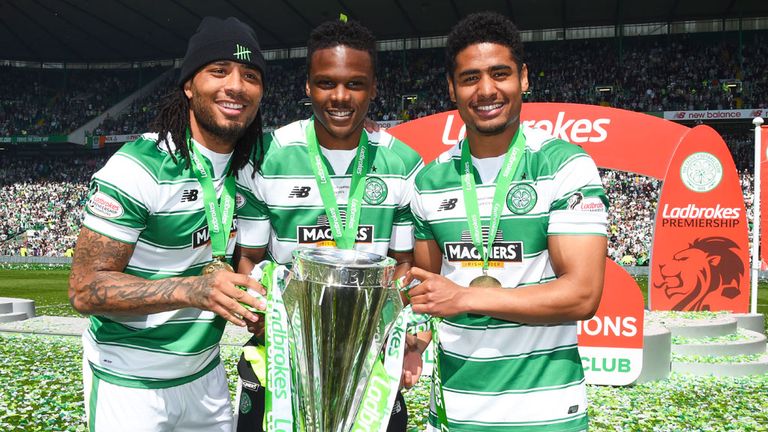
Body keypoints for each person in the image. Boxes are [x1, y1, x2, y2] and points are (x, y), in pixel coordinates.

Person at [407, 12, 608, 432]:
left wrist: (466, 298)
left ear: (524, 78)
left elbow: (583, 295)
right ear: (451, 88)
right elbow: (426, 287)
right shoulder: (428, 181)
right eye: (470, 78)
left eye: (500, 74)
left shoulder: (564, 165)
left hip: (546, 413)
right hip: (454, 410)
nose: (486, 90)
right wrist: (415, 343)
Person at [68, 16, 268, 432]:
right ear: (189, 85)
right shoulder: (138, 168)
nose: (236, 85)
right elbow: (85, 289)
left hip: (206, 377)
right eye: (219, 70)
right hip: (130, 384)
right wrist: (192, 289)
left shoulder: (249, 167)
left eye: (250, 75)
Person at [234, 19, 424, 432]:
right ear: (307, 87)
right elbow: (248, 257)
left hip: (368, 365)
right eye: (326, 83)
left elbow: (406, 263)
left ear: (374, 87)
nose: (340, 97)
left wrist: (396, 331)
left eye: (355, 84)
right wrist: (258, 309)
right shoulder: (266, 157)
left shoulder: (404, 164)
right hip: (284, 359)